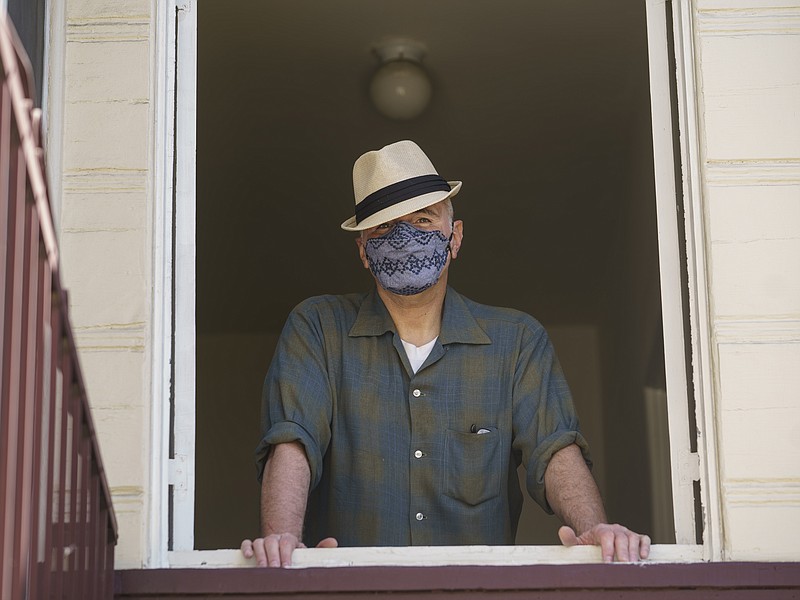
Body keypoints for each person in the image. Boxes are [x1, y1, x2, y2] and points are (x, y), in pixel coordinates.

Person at [241, 140, 651, 568]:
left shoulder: (517, 341)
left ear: (454, 237)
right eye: (384, 227)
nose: (404, 237)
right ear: (363, 250)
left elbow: (553, 448)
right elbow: (293, 439)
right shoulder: (318, 328)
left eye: (422, 219)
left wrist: (595, 531)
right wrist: (281, 542)